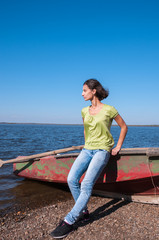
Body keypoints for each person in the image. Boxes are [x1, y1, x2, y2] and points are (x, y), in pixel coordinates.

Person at [50, 79, 128, 239]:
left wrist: (118, 146)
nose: (82, 93)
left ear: (94, 91)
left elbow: (124, 126)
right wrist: (87, 144)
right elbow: (86, 130)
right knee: (71, 179)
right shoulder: (84, 111)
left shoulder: (109, 109)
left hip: (102, 151)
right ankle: (84, 212)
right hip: (87, 150)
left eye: (84, 90)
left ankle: (69, 222)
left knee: (86, 184)